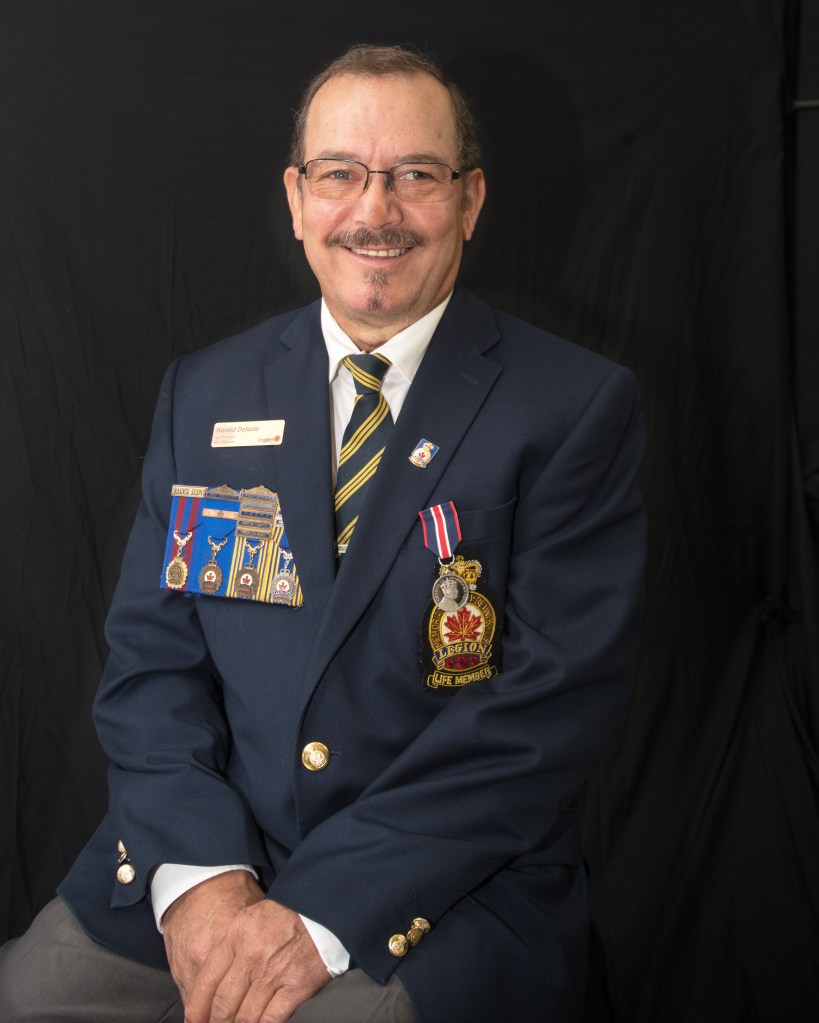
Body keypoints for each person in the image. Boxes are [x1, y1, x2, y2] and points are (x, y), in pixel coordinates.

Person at [0, 44, 645, 1023]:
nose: (375, 211)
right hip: (211, 855)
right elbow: (151, 663)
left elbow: (541, 716)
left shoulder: (572, 406)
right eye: (340, 174)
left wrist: (322, 913)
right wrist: (203, 876)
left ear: (469, 200)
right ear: (298, 200)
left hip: (443, 884)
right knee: (29, 994)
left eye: (414, 175)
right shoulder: (205, 393)